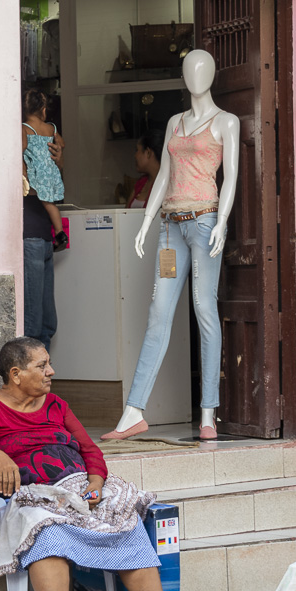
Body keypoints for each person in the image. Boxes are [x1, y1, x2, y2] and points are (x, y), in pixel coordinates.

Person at [0, 338, 200, 591]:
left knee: (126, 520)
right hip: (22, 498)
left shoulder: (56, 405)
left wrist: (96, 483)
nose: (51, 371)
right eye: (42, 365)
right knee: (47, 531)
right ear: (16, 374)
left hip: (77, 492)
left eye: (48, 364)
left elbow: (89, 450)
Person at [101, 50, 240, 442]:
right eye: (189, 69)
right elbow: (164, 174)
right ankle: (133, 412)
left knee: (204, 309)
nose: (195, 75)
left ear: (212, 74)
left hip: (204, 222)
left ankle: (208, 412)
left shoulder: (226, 121)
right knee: (158, 313)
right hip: (170, 228)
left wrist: (223, 221)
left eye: (202, 69)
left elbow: (230, 177)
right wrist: (147, 220)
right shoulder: (175, 123)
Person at [23, 132, 63, 352]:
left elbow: (54, 187)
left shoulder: (43, 146)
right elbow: (29, 187)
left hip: (44, 235)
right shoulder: (19, 151)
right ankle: (31, 372)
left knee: (47, 324)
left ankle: (42, 371)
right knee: (33, 323)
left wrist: (56, 162)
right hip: (30, 235)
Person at [22, 88, 68, 252]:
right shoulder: (51, 128)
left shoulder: (24, 128)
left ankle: (60, 233)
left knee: (45, 203)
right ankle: (60, 232)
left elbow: (22, 147)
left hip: (36, 174)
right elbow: (61, 144)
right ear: (43, 109)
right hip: (50, 172)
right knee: (50, 204)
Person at [127, 129, 164, 208]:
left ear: (148, 153)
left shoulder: (166, 185)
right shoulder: (141, 183)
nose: (135, 156)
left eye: (137, 150)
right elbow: (125, 212)